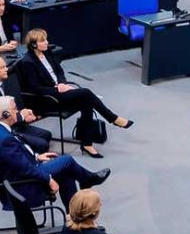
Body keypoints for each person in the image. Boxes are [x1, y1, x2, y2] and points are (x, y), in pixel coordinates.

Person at [17, 29, 133, 158]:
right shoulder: (28, 62)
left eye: (46, 39)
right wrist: (57, 89)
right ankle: (113, 118)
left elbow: (60, 71)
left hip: (60, 91)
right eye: (43, 40)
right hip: (48, 99)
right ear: (33, 44)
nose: (47, 42)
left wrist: (62, 83)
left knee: (86, 102)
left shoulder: (47, 52)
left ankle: (87, 143)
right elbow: (35, 88)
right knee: (86, 93)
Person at [0, 95, 110, 206]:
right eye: (15, 109)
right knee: (66, 160)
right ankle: (87, 180)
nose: (18, 111)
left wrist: (37, 156)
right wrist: (48, 179)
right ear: (6, 114)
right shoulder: (4, 139)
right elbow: (24, 169)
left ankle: (73, 216)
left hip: (21, 171)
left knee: (66, 172)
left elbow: (16, 157)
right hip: (23, 183)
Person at [0, 56, 52, 154]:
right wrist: (21, 116)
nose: (7, 69)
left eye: (5, 66)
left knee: (47, 135)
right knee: (43, 144)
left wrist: (22, 115)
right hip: (2, 130)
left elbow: (6, 111)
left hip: (12, 123)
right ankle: (30, 159)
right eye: (2, 68)